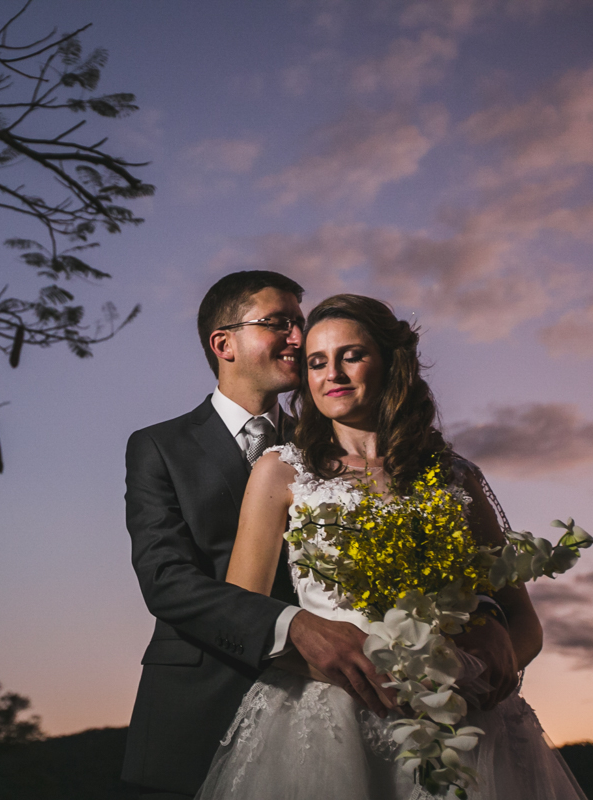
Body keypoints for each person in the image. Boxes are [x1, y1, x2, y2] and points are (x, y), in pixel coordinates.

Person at [122, 272, 518, 800]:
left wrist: (483, 620)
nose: (296, 337)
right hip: (202, 701)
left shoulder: (325, 440)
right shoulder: (160, 446)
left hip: (374, 703)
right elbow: (166, 580)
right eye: (278, 323)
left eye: (299, 324)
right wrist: (295, 625)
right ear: (225, 343)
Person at [194, 294, 586, 800]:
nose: (331, 372)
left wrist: (498, 663)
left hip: (460, 720)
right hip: (329, 719)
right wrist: (337, 667)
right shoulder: (282, 471)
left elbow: (521, 618)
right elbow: (239, 615)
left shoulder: (454, 474)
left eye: (350, 355)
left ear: (390, 363)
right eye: (316, 361)